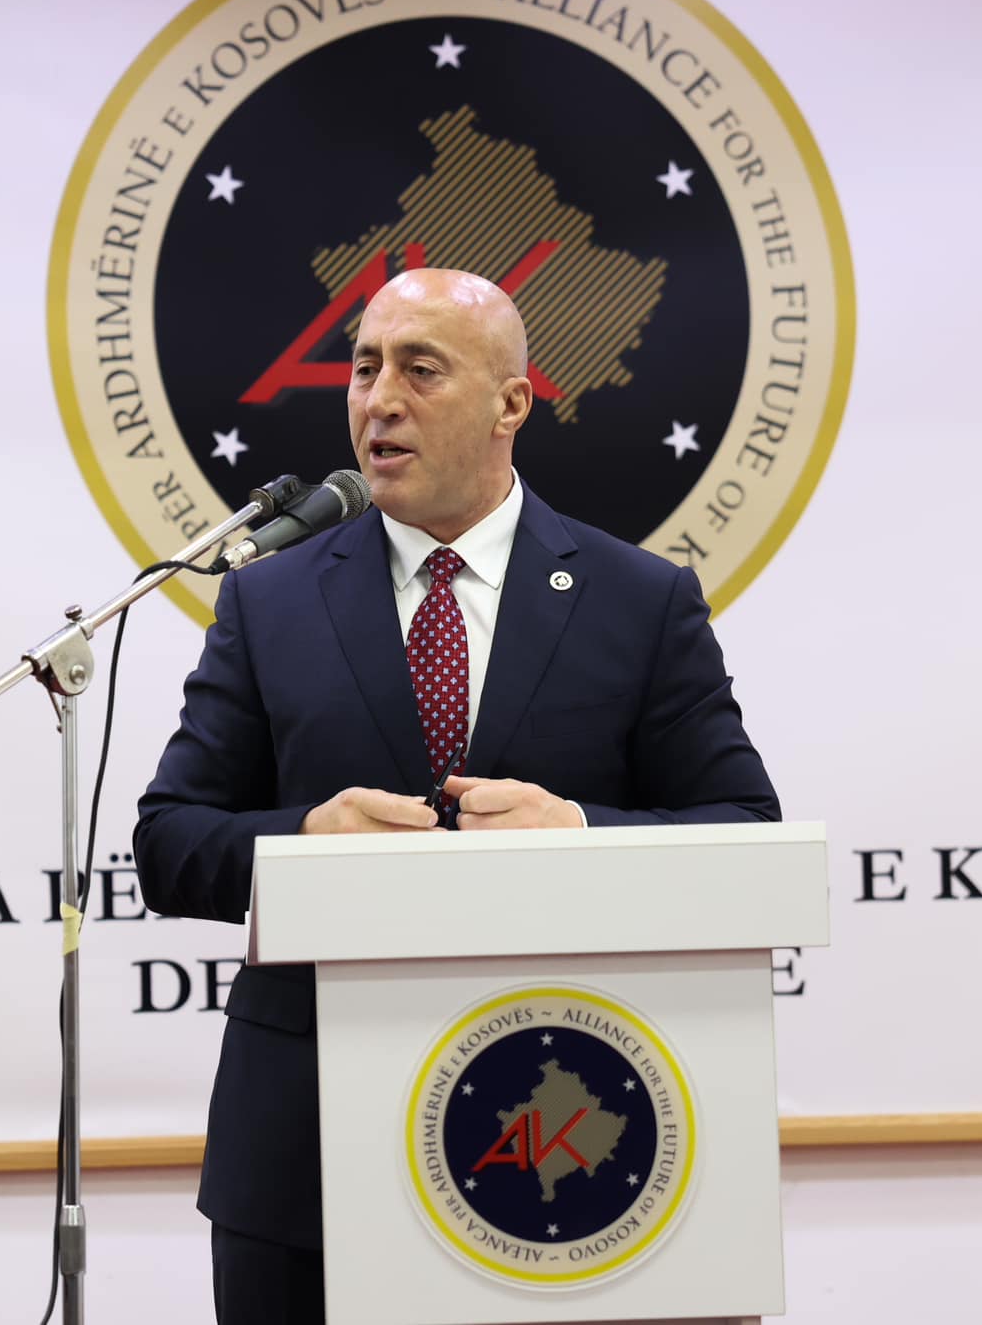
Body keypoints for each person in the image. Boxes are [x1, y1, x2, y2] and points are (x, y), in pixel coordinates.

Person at [132, 269, 780, 1323]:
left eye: (420, 370)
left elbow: (745, 833)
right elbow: (169, 845)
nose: (378, 399)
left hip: (570, 1144)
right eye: (362, 368)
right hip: (306, 1157)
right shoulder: (266, 599)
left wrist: (579, 831)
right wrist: (304, 838)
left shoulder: (637, 599)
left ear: (509, 403)